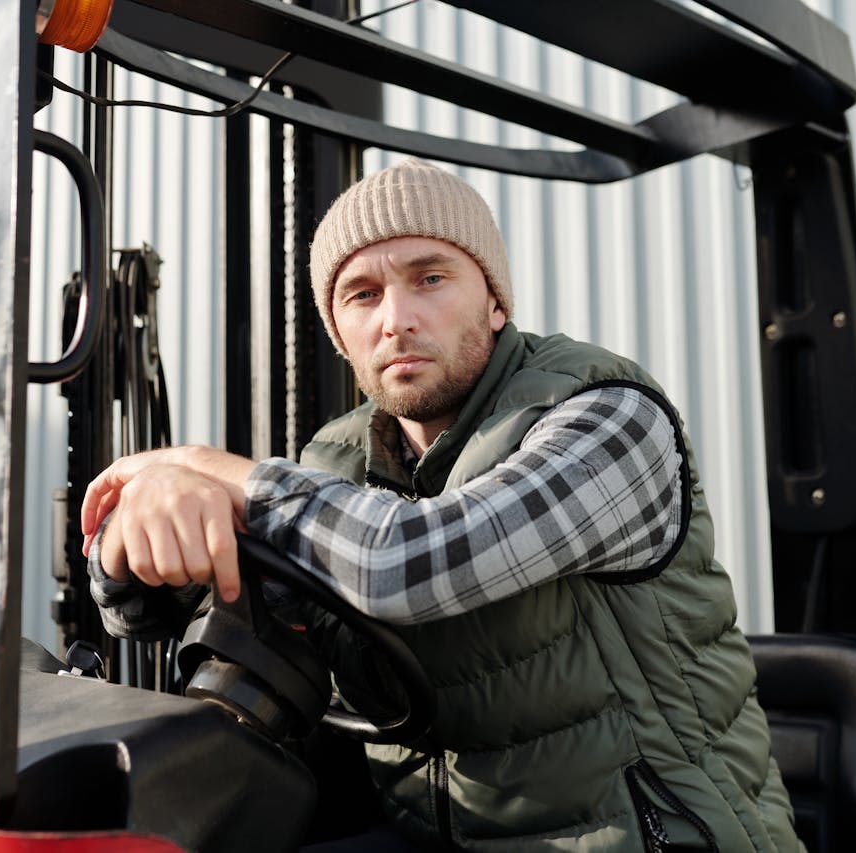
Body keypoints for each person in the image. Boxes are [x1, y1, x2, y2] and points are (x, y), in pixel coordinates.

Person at [82, 159, 803, 851]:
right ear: (340, 335)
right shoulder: (336, 462)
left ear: (495, 302)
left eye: (429, 278)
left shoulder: (610, 417)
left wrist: (209, 468)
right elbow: (194, 610)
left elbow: (409, 563)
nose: (396, 319)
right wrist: (145, 528)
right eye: (362, 294)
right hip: (435, 834)